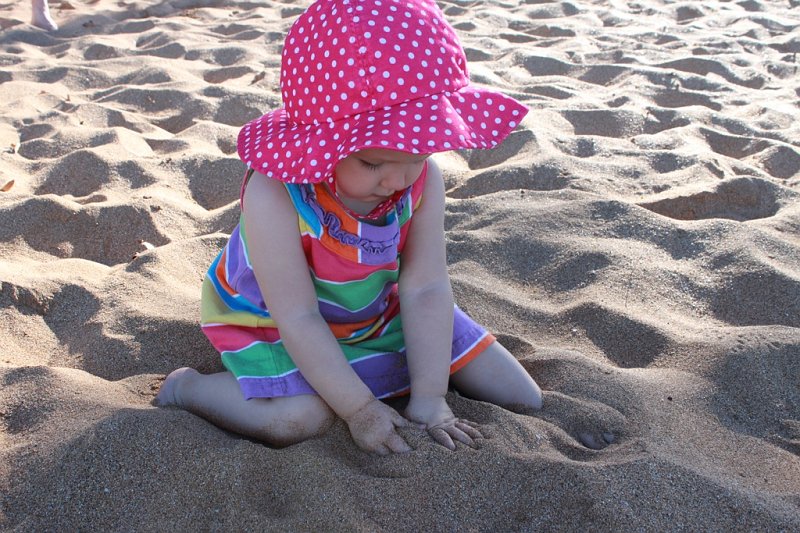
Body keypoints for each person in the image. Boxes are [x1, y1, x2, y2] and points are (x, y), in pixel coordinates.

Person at [156, 0, 543, 455]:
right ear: (319, 142)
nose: (397, 181)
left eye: (416, 155)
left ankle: (381, 371)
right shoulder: (275, 192)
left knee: (522, 395)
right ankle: (187, 389)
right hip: (278, 322)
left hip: (377, 312)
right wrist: (360, 409)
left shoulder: (422, 180)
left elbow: (425, 289)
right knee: (298, 419)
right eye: (372, 161)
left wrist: (430, 398)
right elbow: (296, 314)